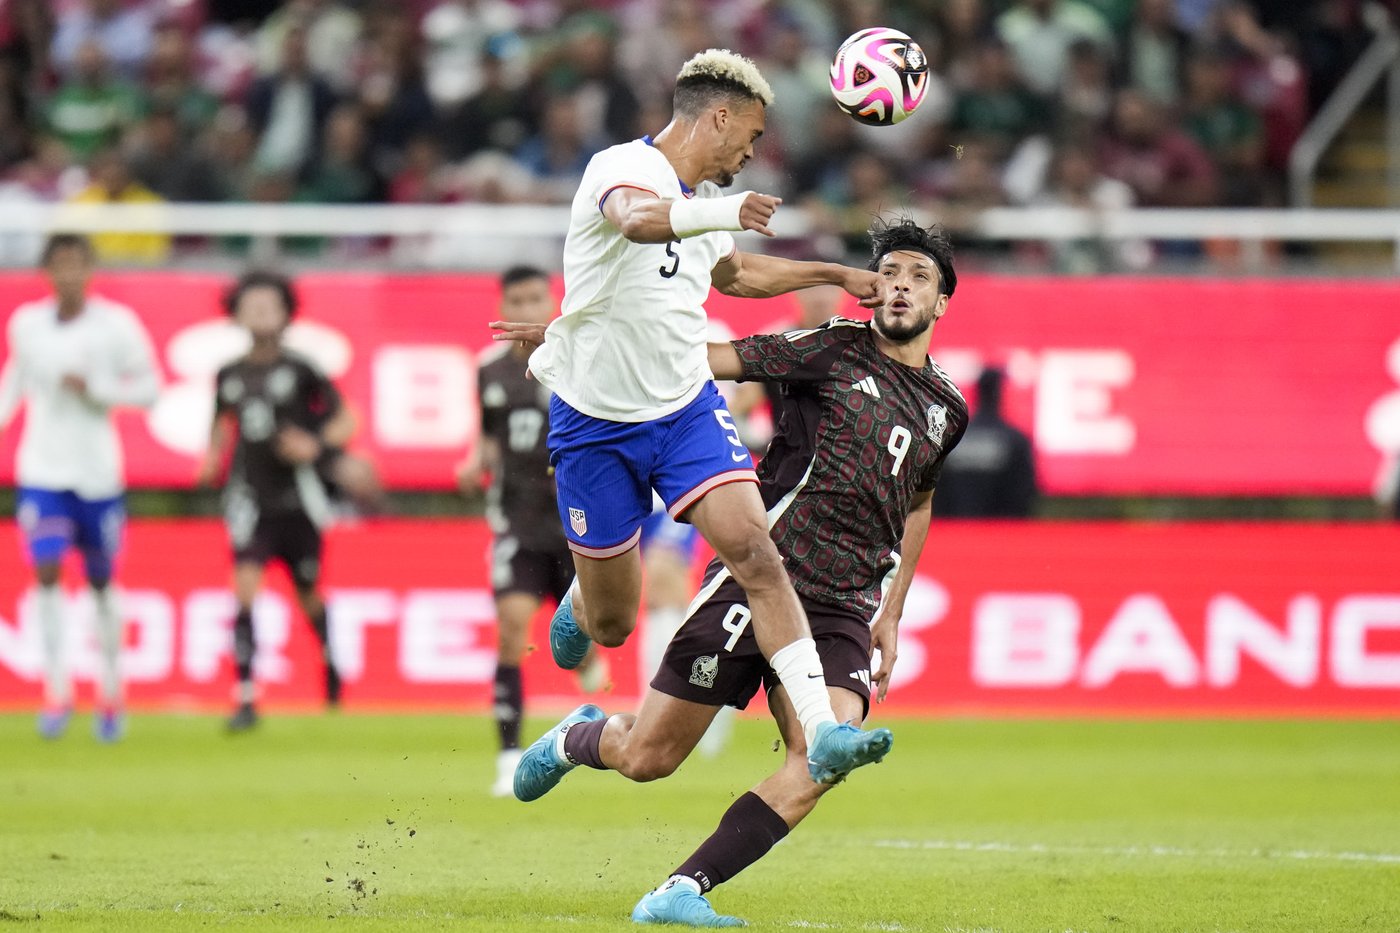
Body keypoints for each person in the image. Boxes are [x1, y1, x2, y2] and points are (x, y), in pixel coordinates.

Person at [499, 217, 968, 927]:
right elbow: (710, 359)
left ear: (941, 303)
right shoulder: (829, 349)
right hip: (762, 577)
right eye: (892, 272)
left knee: (823, 759)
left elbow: (921, 498)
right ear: (875, 290)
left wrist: (892, 610)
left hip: (846, 603)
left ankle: (681, 889)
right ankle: (579, 736)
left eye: (920, 277)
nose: (901, 284)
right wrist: (586, 342)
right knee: (649, 757)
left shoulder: (948, 408)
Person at [522, 47, 891, 783]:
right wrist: (720, 210)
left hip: (686, 407)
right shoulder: (621, 170)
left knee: (756, 551)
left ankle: (823, 731)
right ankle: (579, 706)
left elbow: (736, 272)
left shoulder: (696, 206)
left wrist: (836, 274)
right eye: (749, 137)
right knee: (612, 624)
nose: (750, 153)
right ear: (718, 117)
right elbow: (634, 222)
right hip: (597, 422)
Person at [0, 233, 159, 741]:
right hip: (43, 470)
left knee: (100, 580)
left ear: (90, 270)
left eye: (77, 264)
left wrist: (98, 390)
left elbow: (151, 389)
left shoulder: (117, 326)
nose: (68, 274)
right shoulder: (26, 324)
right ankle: (57, 688)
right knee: (45, 571)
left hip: (97, 473)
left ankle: (111, 690)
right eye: (59, 264)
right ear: (46, 271)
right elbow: (14, 382)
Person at [456, 265, 606, 796]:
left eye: (533, 298)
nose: (524, 308)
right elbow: (490, 435)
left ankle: (587, 665)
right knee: (512, 628)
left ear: (552, 301)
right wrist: (476, 459)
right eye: (514, 300)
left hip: (577, 519)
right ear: (503, 306)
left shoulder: (578, 358)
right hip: (517, 519)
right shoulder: (489, 370)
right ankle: (508, 752)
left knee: (581, 633)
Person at [195, 271, 354, 732]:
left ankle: (330, 666)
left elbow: (346, 419)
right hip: (249, 497)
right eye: (252, 303)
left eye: (270, 303)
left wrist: (315, 444)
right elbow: (221, 424)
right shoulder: (228, 373)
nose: (261, 311)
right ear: (237, 311)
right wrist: (209, 461)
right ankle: (245, 694)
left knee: (307, 591)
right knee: (244, 587)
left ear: (286, 312)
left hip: (299, 499)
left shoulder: (302, 369)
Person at [934, 366, 1038, 518]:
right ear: (1000, 393)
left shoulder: (952, 437)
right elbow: (1023, 496)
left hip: (955, 533)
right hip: (1000, 535)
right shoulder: (1016, 441)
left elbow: (936, 492)